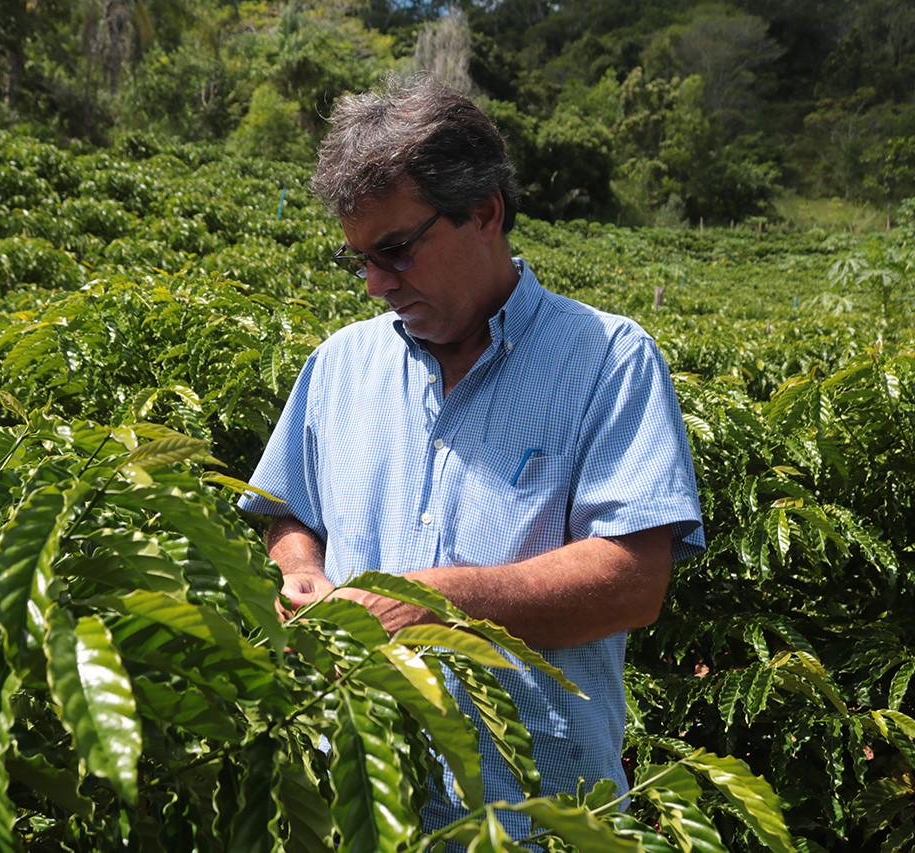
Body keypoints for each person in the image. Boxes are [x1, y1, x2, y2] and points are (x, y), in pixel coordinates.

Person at [237, 74, 705, 841]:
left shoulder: (608, 358)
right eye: (358, 258)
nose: (375, 284)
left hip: (538, 821)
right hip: (361, 812)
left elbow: (634, 581)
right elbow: (286, 505)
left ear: (484, 212)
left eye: (395, 251)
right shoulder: (338, 365)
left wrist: (434, 601)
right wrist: (300, 568)